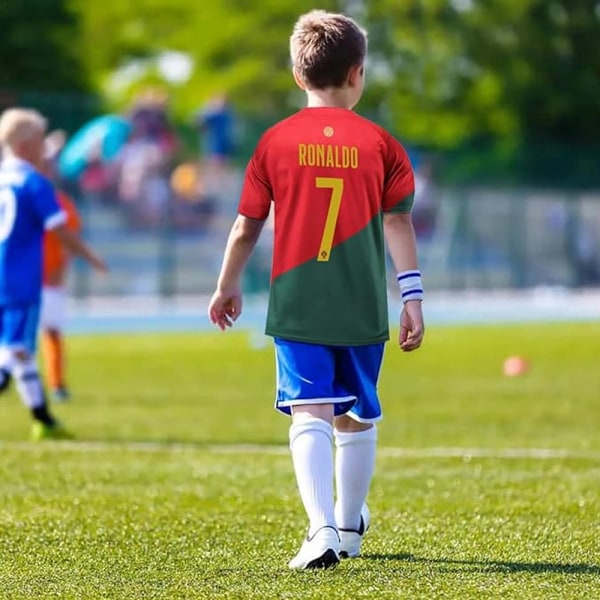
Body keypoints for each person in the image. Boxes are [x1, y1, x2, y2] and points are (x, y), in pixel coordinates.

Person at [208, 10, 425, 570]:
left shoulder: (274, 142)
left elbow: (246, 226)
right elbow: (398, 223)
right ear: (357, 73)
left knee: (310, 411)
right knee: (357, 417)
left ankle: (321, 528)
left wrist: (227, 285)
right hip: (360, 305)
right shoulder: (382, 144)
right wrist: (412, 297)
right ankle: (350, 528)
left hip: (298, 303)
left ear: (298, 74)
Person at [0, 108, 107, 440]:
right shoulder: (34, 183)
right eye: (39, 140)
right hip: (19, 281)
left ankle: (43, 419)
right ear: (25, 143)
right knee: (14, 351)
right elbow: (61, 232)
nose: (43, 148)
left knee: (21, 354)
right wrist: (91, 257)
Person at [39, 131, 85, 402]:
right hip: (19, 279)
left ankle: (56, 384)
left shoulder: (62, 202)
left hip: (50, 280)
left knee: (52, 333)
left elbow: (71, 240)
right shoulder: (18, 195)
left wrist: (62, 268)